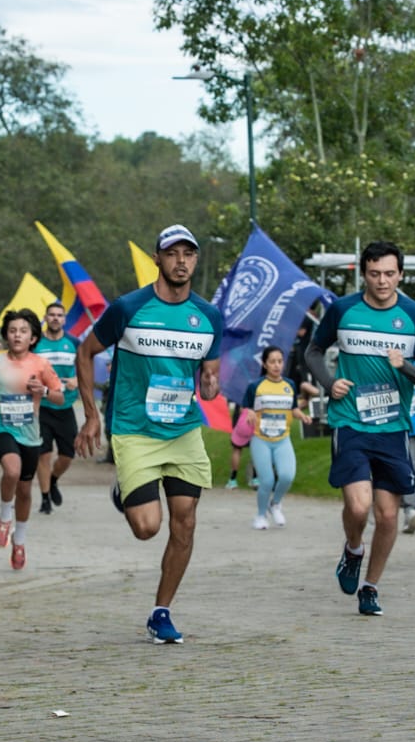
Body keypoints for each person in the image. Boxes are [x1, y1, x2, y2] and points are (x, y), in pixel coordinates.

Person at [74, 224, 222, 644]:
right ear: (157, 258)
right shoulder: (129, 307)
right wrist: (90, 417)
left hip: (183, 430)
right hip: (135, 429)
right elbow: (85, 353)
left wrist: (211, 385)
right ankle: (126, 491)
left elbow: (210, 373)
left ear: (195, 260)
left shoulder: (209, 317)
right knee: (146, 527)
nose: (181, 261)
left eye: (188, 254)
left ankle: (161, 612)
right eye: (172, 253)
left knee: (186, 523)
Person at [306, 241, 415, 617]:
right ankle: (352, 548)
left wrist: (404, 367)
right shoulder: (343, 310)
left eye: (390, 274)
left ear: (401, 275)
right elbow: (313, 352)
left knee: (389, 515)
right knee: (359, 506)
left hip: (394, 427)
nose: (382, 281)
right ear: (363, 273)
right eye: (375, 273)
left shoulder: (414, 316)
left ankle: (371, 586)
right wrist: (330, 384)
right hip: (351, 420)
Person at [0, 308, 62, 571]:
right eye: (12, 330)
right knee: (11, 471)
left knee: (25, 490)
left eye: (23, 331)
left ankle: (19, 540)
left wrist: (44, 391)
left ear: (33, 337)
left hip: (31, 434)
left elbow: (59, 396)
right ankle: (4, 518)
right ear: (6, 334)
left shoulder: (41, 364)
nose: (17, 335)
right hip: (3, 428)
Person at [241, 346, 305, 529]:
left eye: (280, 361)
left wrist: (301, 415)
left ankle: (275, 503)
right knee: (267, 480)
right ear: (265, 364)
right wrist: (250, 413)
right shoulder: (256, 386)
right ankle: (260, 516)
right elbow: (248, 407)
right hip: (261, 439)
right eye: (272, 362)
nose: (277, 365)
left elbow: (293, 408)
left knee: (287, 476)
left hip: (283, 439)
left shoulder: (289, 385)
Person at [34, 301, 81, 515]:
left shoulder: (74, 342)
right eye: (51, 314)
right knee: (43, 455)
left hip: (65, 405)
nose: (55, 318)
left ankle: (53, 481)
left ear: (64, 319)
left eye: (59, 315)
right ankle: (45, 499)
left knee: (67, 456)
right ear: (45, 318)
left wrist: (77, 379)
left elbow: (86, 369)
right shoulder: (36, 344)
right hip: (42, 406)